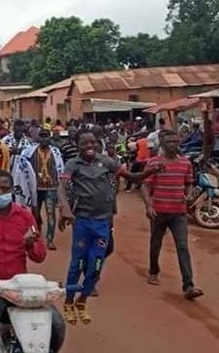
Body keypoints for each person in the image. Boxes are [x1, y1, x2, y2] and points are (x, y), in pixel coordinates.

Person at [58, 129, 158, 324]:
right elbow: (61, 188)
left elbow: (131, 177)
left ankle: (82, 301)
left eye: (92, 143)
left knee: (96, 265)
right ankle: (69, 301)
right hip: (83, 221)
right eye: (85, 143)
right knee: (77, 264)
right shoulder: (72, 164)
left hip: (103, 222)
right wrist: (65, 209)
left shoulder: (106, 161)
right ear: (77, 145)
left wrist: (148, 172)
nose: (89, 146)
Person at [0, 171, 65, 353]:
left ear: (12, 190)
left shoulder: (24, 216)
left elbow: (39, 256)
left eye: (5, 189)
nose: (0, 193)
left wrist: (31, 245)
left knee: (56, 325)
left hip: (21, 288)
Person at [142, 130, 204, 300]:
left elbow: (189, 183)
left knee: (182, 246)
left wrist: (187, 195)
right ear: (162, 143)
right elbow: (146, 186)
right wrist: (149, 206)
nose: (173, 145)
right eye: (169, 142)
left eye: (176, 141)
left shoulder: (185, 163)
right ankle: (153, 271)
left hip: (178, 213)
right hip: (158, 212)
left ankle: (188, 285)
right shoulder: (153, 163)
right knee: (156, 244)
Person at [23, 128, 64, 250]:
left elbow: (60, 169)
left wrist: (61, 188)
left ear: (49, 137)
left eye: (46, 136)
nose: (44, 138)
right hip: (36, 188)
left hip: (50, 188)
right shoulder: (30, 152)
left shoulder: (55, 152)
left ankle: (50, 239)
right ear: (38, 138)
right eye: (42, 136)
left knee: (51, 213)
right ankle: (37, 234)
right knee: (35, 213)